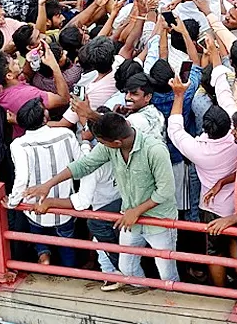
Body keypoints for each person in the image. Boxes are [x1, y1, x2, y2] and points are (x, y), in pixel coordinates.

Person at [30, 110, 178, 287]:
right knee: (127, 267)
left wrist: (136, 212)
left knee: (167, 272)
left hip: (159, 220)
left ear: (117, 142)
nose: (98, 145)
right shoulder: (110, 147)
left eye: (101, 142)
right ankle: (143, 293)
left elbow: (165, 191)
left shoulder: (155, 150)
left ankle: (171, 304)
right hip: (129, 219)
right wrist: (48, 185)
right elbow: (84, 165)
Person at [8, 98, 79, 266]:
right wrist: (84, 145)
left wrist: (12, 201)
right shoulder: (67, 134)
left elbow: (21, 179)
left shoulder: (19, 144)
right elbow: (81, 166)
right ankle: (72, 276)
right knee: (68, 245)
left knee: (37, 233)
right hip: (64, 206)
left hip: (35, 208)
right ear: (45, 117)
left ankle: (43, 255)